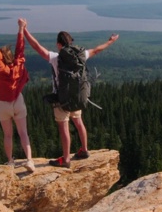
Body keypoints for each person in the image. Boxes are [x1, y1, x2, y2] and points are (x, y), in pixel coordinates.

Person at [23, 21, 119, 168]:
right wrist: (110, 41)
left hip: (61, 99)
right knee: (79, 122)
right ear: (71, 42)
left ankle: (66, 159)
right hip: (77, 95)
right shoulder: (81, 55)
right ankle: (84, 150)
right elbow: (97, 50)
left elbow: (37, 47)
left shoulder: (56, 57)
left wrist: (24, 31)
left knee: (64, 128)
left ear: (58, 44)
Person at [0, 18, 35, 172]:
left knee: (8, 135)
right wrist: (21, 28)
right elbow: (20, 48)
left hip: (3, 104)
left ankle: (10, 161)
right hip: (17, 101)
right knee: (23, 133)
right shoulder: (19, 64)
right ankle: (30, 160)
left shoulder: (1, 70)